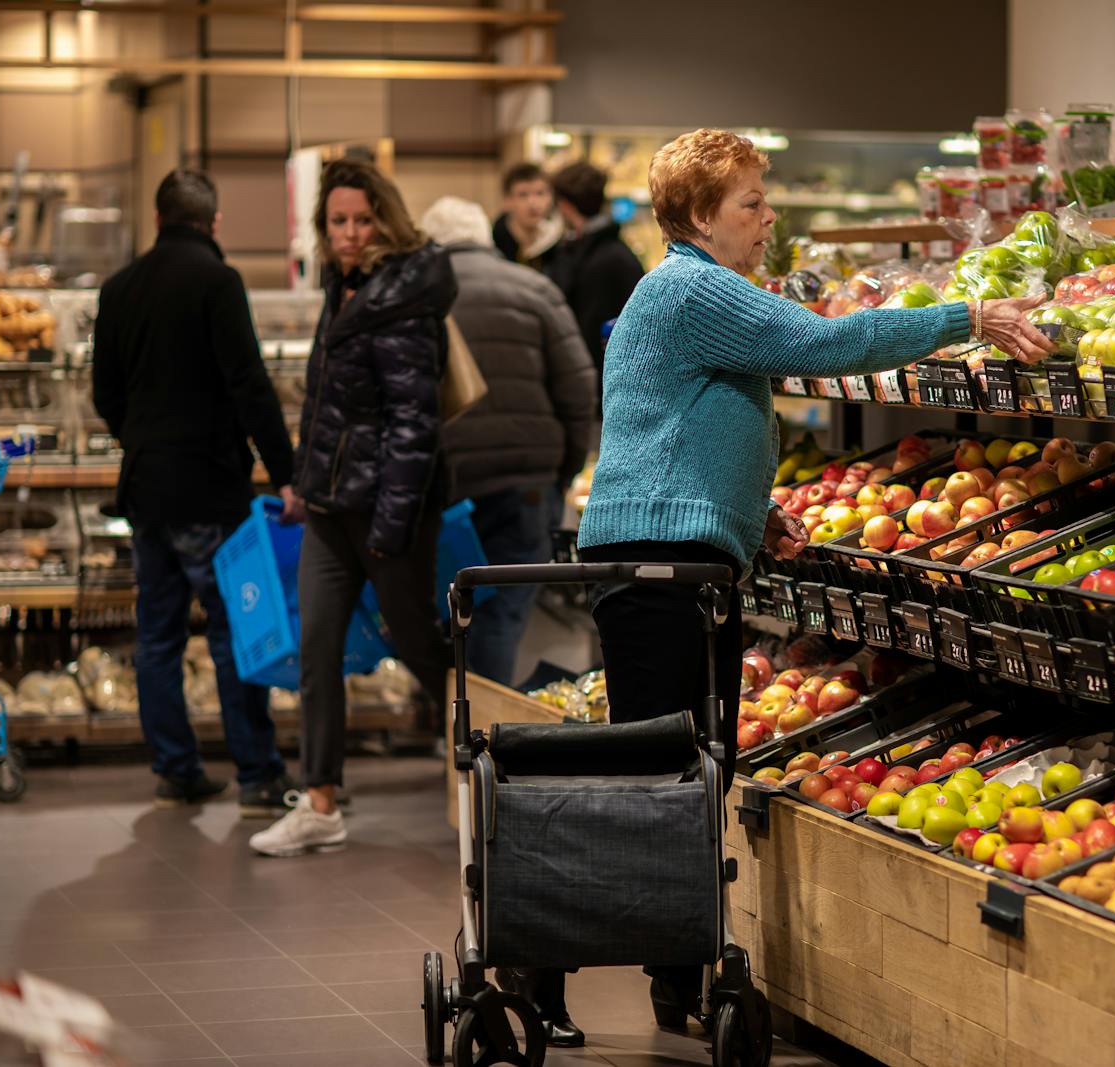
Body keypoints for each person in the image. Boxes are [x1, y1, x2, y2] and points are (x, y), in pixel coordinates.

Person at [562, 130, 1053, 1040]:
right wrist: (969, 318)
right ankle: (545, 953)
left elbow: (685, 424)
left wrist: (754, 515)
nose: (767, 216)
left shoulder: (683, 290)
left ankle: (677, 974)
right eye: (751, 202)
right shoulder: (694, 286)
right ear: (703, 215)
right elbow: (832, 345)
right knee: (659, 777)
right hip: (657, 568)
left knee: (692, 770)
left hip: (676, 556)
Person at [249, 160, 457, 858]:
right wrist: (304, 485)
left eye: (361, 219)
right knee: (317, 649)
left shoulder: (401, 298)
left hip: (387, 515)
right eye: (337, 220)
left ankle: (497, 754)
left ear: (386, 220)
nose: (348, 232)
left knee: (421, 645)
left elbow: (413, 423)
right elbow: (324, 406)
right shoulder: (348, 287)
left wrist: (392, 528)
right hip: (334, 510)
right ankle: (320, 802)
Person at [92, 169, 297, 815]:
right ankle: (258, 777)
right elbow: (249, 384)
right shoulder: (218, 280)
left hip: (148, 489)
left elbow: (105, 392)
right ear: (213, 223)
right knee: (236, 631)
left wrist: (143, 439)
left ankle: (175, 768)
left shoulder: (120, 287)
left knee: (157, 636)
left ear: (158, 220)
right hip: (211, 487)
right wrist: (285, 471)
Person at [419, 196, 597, 687]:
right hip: (525, 481)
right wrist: (563, 469)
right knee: (502, 613)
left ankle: (451, 731)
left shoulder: (417, 299)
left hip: (442, 484)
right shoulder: (535, 289)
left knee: (447, 610)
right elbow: (579, 388)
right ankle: (480, 738)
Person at [546, 160, 644, 376]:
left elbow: (590, 336)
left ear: (565, 205)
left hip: (600, 387)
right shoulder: (613, 252)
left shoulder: (599, 259)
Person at [491, 162, 563, 270]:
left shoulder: (559, 243)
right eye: (523, 195)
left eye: (540, 193)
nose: (533, 203)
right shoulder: (492, 244)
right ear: (507, 201)